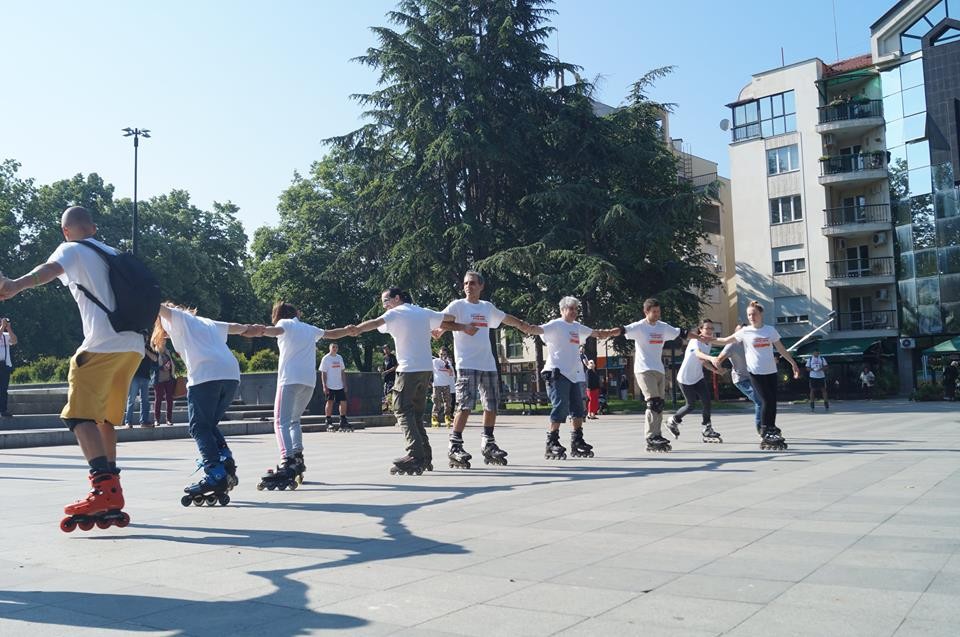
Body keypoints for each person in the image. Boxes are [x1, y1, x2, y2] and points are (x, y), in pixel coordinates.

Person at [0, 206, 144, 529]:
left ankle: (102, 489)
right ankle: (113, 490)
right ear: (92, 227)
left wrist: (14, 285)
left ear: (66, 231)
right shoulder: (114, 253)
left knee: (78, 415)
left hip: (102, 344)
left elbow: (50, 269)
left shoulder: (71, 248)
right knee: (105, 417)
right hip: (134, 347)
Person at [348, 287, 477, 475]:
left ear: (397, 298)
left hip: (408, 370)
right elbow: (447, 319)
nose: (384, 305)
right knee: (415, 414)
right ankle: (425, 458)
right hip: (425, 370)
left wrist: (356, 329)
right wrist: (463, 326)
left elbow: (375, 323)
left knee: (400, 408)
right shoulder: (422, 312)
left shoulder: (395, 313)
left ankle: (415, 455)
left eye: (386, 301)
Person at [153, 302, 261, 505]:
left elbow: (157, 305)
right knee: (209, 425)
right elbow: (235, 327)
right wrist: (251, 329)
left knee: (198, 427)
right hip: (230, 374)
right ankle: (225, 460)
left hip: (206, 376)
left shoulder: (175, 318)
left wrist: (139, 290)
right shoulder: (206, 322)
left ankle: (215, 473)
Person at [433, 270, 534, 468]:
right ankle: (455, 445)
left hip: (487, 363)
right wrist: (456, 328)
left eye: (472, 283)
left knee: (492, 404)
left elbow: (505, 318)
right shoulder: (458, 305)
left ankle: (488, 442)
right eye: (465, 283)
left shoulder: (487, 307)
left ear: (481, 286)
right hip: (466, 363)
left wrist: (523, 326)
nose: (467, 286)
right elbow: (441, 320)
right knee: (465, 405)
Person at [253, 302, 350, 489]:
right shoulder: (309, 328)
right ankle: (297, 457)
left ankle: (287, 460)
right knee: (294, 420)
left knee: (280, 421)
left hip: (289, 379)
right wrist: (350, 330)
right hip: (308, 382)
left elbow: (273, 331)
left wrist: (257, 330)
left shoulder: (285, 324)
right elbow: (332, 334)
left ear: (279, 315)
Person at [524, 296, 621, 460]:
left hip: (575, 375)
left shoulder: (577, 327)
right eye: (571, 308)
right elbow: (536, 329)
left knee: (578, 409)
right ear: (562, 310)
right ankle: (551, 442)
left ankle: (577, 441)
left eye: (576, 309)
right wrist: (522, 325)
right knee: (560, 406)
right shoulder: (556, 324)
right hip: (557, 373)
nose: (574, 312)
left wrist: (614, 332)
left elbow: (596, 333)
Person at [712, 300, 800, 450]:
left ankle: (771, 428)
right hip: (755, 371)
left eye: (754, 314)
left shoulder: (770, 330)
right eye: (749, 315)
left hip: (771, 371)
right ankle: (764, 430)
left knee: (772, 401)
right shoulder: (745, 332)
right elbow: (725, 340)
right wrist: (706, 338)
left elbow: (781, 349)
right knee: (765, 400)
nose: (751, 317)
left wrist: (793, 363)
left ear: (761, 314)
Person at [622, 298, 691, 453]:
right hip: (643, 369)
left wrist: (703, 338)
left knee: (659, 404)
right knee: (653, 402)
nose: (657, 314)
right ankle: (650, 436)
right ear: (646, 312)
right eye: (654, 312)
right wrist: (603, 333)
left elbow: (682, 333)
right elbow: (622, 330)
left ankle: (657, 434)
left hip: (659, 369)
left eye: (659, 311)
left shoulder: (662, 327)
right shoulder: (640, 326)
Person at [666, 319, 724, 443]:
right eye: (707, 328)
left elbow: (703, 361)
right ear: (701, 330)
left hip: (698, 377)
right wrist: (711, 358)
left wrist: (715, 370)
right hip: (685, 378)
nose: (709, 331)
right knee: (690, 405)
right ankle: (673, 420)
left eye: (711, 329)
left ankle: (707, 428)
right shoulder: (695, 341)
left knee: (707, 401)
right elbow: (698, 354)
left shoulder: (708, 344)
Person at [715, 325, 762, 436]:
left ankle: (768, 426)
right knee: (760, 401)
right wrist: (719, 370)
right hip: (741, 379)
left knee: (766, 400)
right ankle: (762, 430)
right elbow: (718, 360)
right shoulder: (731, 345)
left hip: (755, 377)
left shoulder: (752, 343)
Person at [123, 337, 158, 428]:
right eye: (142, 336)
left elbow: (155, 359)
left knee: (145, 401)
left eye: (145, 337)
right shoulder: (134, 346)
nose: (144, 338)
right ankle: (128, 422)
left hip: (145, 377)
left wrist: (145, 350)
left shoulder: (149, 347)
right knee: (131, 400)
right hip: (134, 376)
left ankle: (144, 422)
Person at [319, 342, 351, 432]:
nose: (335, 348)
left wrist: (344, 384)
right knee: (330, 402)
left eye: (336, 347)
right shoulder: (326, 358)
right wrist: (324, 386)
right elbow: (323, 373)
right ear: (330, 348)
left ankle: (343, 420)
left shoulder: (339, 357)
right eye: (333, 347)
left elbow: (342, 372)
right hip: (330, 385)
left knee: (343, 402)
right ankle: (328, 421)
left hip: (339, 385)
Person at [153, 341, 177, 425]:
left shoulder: (168, 353)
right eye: (161, 343)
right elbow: (152, 367)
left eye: (164, 343)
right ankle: (156, 419)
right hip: (158, 380)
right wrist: (161, 367)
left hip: (169, 379)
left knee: (169, 399)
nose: (163, 345)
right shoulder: (155, 353)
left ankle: (169, 419)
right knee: (158, 400)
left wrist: (169, 366)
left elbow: (174, 363)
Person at [430, 346, 454, 428]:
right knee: (437, 402)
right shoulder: (435, 361)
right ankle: (434, 418)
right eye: (441, 354)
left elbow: (451, 373)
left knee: (448, 403)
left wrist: (447, 364)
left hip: (446, 384)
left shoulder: (448, 362)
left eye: (444, 354)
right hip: (437, 385)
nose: (442, 356)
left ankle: (447, 417)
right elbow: (436, 369)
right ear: (438, 354)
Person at [0, 317, 17, 418]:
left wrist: (9, 328)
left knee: (3, 389)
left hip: (4, 365)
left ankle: (3, 410)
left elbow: (14, 341)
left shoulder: (6, 336)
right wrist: (2, 326)